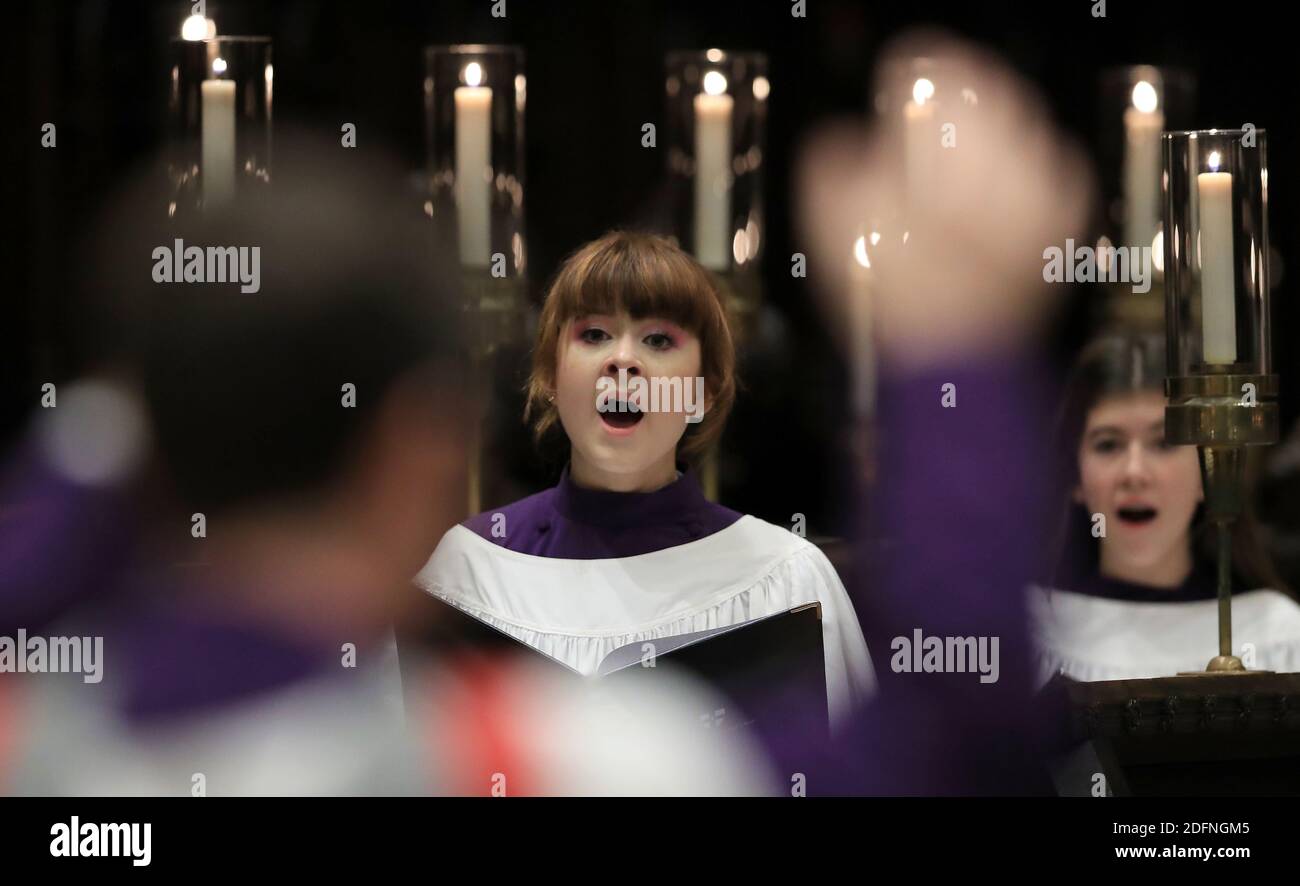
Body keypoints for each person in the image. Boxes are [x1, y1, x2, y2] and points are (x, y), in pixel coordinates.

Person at [415, 231, 875, 731]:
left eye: (658, 339)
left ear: (703, 392)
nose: (623, 360)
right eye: (594, 335)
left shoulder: (785, 580)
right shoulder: (470, 572)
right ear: (551, 377)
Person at [1029, 332, 1300, 681]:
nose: (1135, 472)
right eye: (1108, 444)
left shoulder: (1279, 636)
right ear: (1074, 478)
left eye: (1163, 443)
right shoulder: (1030, 635)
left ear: (1209, 470)